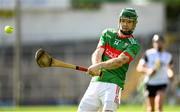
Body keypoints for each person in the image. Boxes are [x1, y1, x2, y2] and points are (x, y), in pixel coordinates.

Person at [78, 8, 141, 112]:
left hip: (113, 84)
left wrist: (98, 66)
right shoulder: (107, 33)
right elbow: (97, 52)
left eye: (129, 22)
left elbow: (119, 62)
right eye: (123, 20)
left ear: (134, 24)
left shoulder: (134, 44)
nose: (125, 24)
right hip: (95, 83)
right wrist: (95, 65)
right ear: (119, 21)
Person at [136, 34, 174, 112]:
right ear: (153, 43)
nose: (157, 43)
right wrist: (148, 71)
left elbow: (169, 69)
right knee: (150, 109)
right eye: (156, 41)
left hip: (162, 82)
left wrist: (171, 74)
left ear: (163, 42)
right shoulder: (148, 54)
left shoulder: (168, 56)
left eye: (159, 41)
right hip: (150, 83)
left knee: (159, 106)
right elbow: (139, 68)